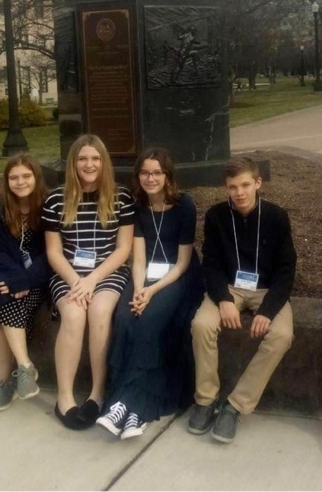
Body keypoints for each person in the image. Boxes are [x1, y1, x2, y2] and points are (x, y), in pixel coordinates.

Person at [96, 148, 204, 439]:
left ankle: (132, 406)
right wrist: (139, 290)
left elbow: (182, 262)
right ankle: (122, 405)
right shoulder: (138, 206)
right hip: (145, 276)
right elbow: (139, 259)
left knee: (149, 320)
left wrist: (152, 291)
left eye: (157, 172)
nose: (150, 178)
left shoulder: (185, 206)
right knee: (124, 317)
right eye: (145, 172)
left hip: (177, 277)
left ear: (168, 176)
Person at [188, 156, 296, 444]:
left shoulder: (276, 216)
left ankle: (235, 405)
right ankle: (206, 399)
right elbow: (211, 263)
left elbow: (286, 270)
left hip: (266, 290)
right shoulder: (216, 216)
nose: (239, 192)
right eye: (233, 187)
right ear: (226, 188)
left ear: (258, 183)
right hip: (229, 288)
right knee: (201, 325)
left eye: (245, 185)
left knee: (282, 335)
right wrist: (223, 299)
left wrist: (268, 311)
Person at [44, 134, 134, 430]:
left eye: (95, 158)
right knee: (73, 314)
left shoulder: (122, 197)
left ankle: (97, 393)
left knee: (99, 311)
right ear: (73, 163)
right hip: (68, 274)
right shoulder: (55, 200)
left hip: (107, 272)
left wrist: (93, 280)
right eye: (82, 158)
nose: (89, 164)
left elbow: (123, 249)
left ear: (104, 162)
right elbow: (54, 252)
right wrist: (76, 281)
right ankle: (65, 397)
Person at [0, 154, 51, 412]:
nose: (20, 182)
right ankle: (23, 368)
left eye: (26, 176)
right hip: (8, 275)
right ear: (6, 180)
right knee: (0, 299)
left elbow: (53, 254)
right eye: (14, 177)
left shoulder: (49, 205)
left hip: (41, 279)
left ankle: (6, 381)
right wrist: (12, 279)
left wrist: (24, 280)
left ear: (36, 177)